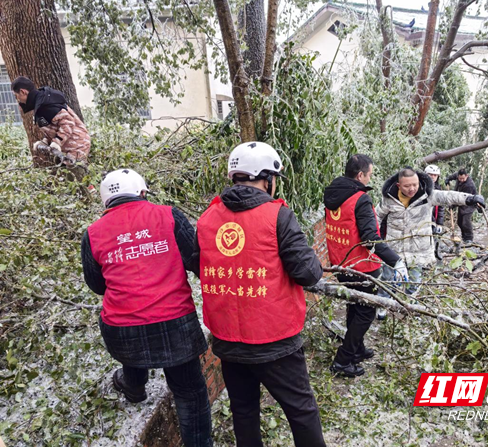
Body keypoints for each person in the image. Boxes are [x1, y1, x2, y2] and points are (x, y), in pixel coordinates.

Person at [196, 142, 326, 447]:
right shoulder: (277, 216)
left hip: (228, 340)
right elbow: (307, 272)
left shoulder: (207, 218)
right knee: (301, 411)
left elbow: (197, 264)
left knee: (243, 410)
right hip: (275, 340)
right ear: (267, 178)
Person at [81, 169, 213, 447]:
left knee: (127, 320)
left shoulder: (92, 234)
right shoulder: (169, 216)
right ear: (142, 193)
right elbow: (195, 260)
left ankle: (134, 385)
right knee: (190, 393)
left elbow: (97, 285)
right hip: (175, 323)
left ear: (106, 202)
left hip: (121, 331)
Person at [324, 154, 406, 377]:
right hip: (361, 266)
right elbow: (370, 238)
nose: (370, 178)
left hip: (340, 263)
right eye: (369, 174)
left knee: (354, 304)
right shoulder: (360, 199)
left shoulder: (333, 193)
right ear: (360, 175)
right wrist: (396, 260)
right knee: (365, 312)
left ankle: (357, 348)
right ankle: (343, 359)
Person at [377, 167, 485, 287]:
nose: (412, 189)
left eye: (415, 184)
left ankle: (411, 304)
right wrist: (376, 241)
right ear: (398, 185)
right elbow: (376, 216)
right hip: (394, 251)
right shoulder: (389, 199)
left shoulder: (427, 195)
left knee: (414, 286)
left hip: (418, 252)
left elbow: (447, 196)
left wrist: (470, 198)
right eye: (407, 186)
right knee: (388, 284)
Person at [12, 76, 90, 165]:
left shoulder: (45, 104)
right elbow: (54, 127)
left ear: (23, 92)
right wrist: (45, 141)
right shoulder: (40, 103)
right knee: (63, 174)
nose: (17, 100)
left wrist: (57, 141)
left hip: (78, 144)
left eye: (16, 96)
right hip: (69, 145)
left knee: (73, 174)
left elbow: (68, 123)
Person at [445, 169, 479, 244]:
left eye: (463, 178)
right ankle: (464, 237)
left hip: (469, 203)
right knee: (459, 222)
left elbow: (462, 199)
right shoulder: (458, 176)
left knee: (465, 222)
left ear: (467, 176)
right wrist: (448, 179)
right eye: (459, 178)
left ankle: (469, 238)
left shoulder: (469, 185)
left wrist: (453, 204)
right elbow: (454, 176)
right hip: (460, 202)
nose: (461, 180)